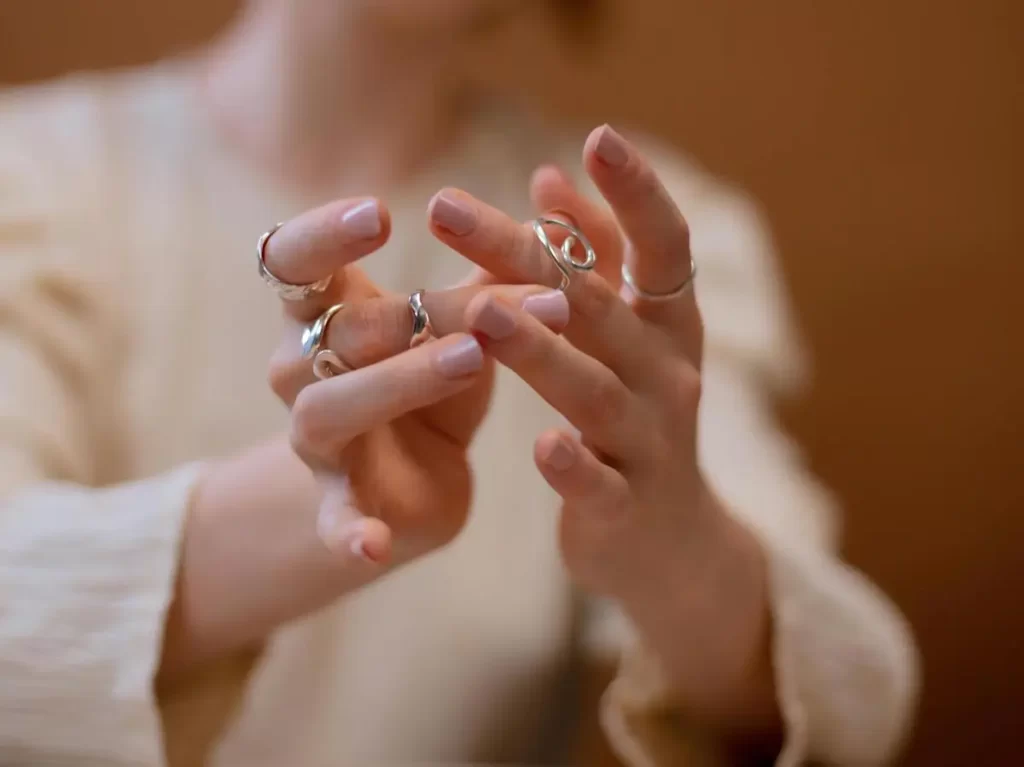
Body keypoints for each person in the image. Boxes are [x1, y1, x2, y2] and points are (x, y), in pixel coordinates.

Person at [0, 0, 919, 764]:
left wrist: (674, 545)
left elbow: (853, 703)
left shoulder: (628, 245)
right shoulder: (32, 177)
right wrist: (301, 508)